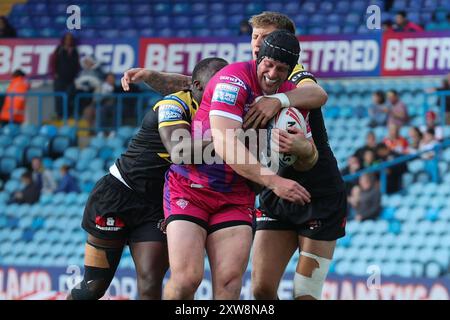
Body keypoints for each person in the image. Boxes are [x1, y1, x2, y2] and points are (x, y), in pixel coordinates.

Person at [121, 11, 342, 301]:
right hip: (242, 186)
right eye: (255, 37)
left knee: (294, 293)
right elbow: (205, 83)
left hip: (308, 191)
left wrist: (278, 102)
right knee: (227, 285)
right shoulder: (241, 75)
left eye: (266, 36)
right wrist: (159, 78)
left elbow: (317, 94)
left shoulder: (292, 75)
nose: (258, 43)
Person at [162, 30, 319, 300]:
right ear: (258, 58)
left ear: (290, 71)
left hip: (236, 195)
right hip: (192, 188)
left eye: (281, 69)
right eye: (268, 65)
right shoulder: (231, 80)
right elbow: (226, 145)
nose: (272, 74)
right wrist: (275, 181)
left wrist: (304, 149)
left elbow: (308, 158)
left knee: (230, 285)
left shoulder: (289, 96)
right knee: (187, 279)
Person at [67, 58, 228, 300]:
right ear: (196, 87)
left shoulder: (221, 108)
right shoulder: (172, 105)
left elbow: (187, 80)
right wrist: (231, 141)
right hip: (118, 196)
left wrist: (150, 75)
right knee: (92, 288)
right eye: (215, 90)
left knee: (151, 282)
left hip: (157, 206)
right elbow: (180, 152)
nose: (221, 97)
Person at [50, 33, 80, 119]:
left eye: (70, 39)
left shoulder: (74, 50)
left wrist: (75, 75)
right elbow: (53, 62)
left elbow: (77, 64)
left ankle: (68, 114)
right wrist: (54, 73)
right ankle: (59, 115)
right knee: (59, 97)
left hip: (71, 79)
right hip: (60, 78)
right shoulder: (59, 49)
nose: (68, 41)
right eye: (67, 39)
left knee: (70, 97)